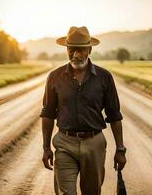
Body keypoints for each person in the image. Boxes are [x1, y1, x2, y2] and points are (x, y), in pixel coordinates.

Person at [40, 26, 127, 195]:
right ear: (66, 49)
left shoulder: (104, 77)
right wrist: (45, 148)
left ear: (90, 49)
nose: (76, 54)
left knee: (92, 192)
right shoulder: (54, 77)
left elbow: (114, 115)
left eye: (81, 49)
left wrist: (120, 149)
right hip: (64, 143)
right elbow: (48, 114)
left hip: (94, 143)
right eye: (71, 49)